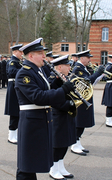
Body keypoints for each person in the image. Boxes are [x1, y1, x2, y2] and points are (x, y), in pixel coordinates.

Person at [14, 38, 74, 180]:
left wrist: (57, 84)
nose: (44, 56)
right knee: (26, 165)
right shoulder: (24, 73)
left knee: (33, 162)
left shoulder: (38, 71)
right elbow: (37, 96)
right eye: (40, 53)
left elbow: (45, 90)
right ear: (30, 56)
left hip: (40, 121)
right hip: (31, 123)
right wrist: (63, 90)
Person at [70, 49, 104, 156]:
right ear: (82, 58)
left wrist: (98, 74)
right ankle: (74, 144)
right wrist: (98, 73)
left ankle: (78, 142)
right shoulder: (78, 69)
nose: (90, 60)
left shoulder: (83, 68)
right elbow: (87, 82)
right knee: (79, 122)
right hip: (80, 100)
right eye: (88, 58)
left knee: (82, 122)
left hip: (85, 98)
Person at [48, 55, 76, 179]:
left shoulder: (64, 78)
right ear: (60, 67)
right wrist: (68, 104)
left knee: (65, 142)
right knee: (58, 143)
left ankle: (60, 166)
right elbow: (53, 99)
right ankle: (53, 169)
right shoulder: (53, 79)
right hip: (57, 114)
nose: (70, 67)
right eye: (67, 65)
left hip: (65, 113)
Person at [4, 44, 23, 144]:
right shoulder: (12, 62)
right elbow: (12, 72)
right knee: (14, 112)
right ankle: (11, 135)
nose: (22, 54)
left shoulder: (18, 62)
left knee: (18, 112)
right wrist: (24, 70)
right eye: (20, 52)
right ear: (15, 52)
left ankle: (15, 134)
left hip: (17, 88)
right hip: (13, 88)